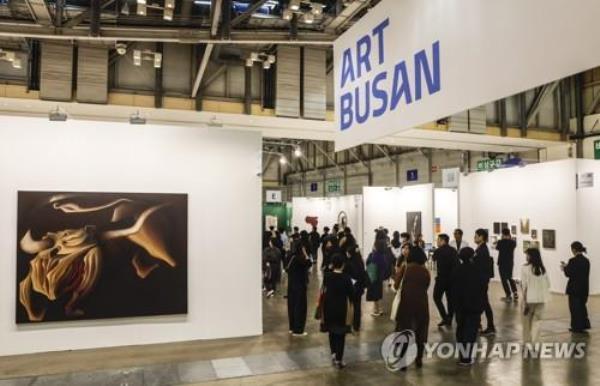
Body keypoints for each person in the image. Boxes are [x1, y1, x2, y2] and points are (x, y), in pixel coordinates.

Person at [393, 247, 431, 369]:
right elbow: (426, 285)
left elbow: (396, 284)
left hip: (406, 304)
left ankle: (402, 361)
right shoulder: (425, 271)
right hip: (422, 304)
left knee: (404, 331)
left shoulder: (405, 268)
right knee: (421, 331)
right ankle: (418, 358)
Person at [452, 247, 487, 366]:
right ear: (472, 256)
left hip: (460, 307)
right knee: (471, 332)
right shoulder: (477, 270)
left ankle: (463, 357)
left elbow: (453, 289)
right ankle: (466, 358)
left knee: (461, 330)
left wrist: (454, 305)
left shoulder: (457, 270)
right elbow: (483, 288)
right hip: (474, 306)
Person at [322, 253, 355, 369]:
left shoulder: (327, 276)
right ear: (343, 265)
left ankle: (333, 353)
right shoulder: (346, 278)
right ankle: (339, 360)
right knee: (340, 335)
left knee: (331, 332)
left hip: (328, 308)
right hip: (341, 310)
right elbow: (352, 295)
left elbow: (323, 291)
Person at [521, 248, 551, 344]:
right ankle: (535, 342)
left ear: (530, 256)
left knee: (527, 322)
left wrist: (524, 301)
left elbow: (524, 286)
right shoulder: (543, 269)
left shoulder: (525, 268)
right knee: (537, 321)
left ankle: (527, 342)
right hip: (541, 299)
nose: (526, 257)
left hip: (529, 299)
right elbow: (548, 284)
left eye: (527, 255)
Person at [286, 231, 312, 336]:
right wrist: (305, 254)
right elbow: (309, 263)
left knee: (291, 306)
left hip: (291, 285)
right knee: (300, 307)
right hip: (300, 285)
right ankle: (298, 330)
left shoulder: (291, 257)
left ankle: (292, 328)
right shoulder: (301, 259)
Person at [340, 234, 369, 331]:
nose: (347, 254)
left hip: (351, 287)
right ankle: (357, 325)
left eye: (348, 253)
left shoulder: (349, 263)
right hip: (359, 287)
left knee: (351, 305)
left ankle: (350, 323)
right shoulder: (360, 261)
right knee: (357, 306)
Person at [561, 242, 591, 334]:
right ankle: (584, 324)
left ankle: (576, 327)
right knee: (582, 307)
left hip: (574, 289)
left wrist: (564, 268)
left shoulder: (572, 261)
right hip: (584, 288)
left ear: (574, 249)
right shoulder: (586, 261)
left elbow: (568, 274)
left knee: (574, 308)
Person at [432, 234, 459, 327]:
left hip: (441, 279)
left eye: (438, 240)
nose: (437, 242)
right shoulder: (453, 250)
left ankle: (445, 317)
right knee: (450, 299)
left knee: (436, 297)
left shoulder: (438, 251)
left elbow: (433, 259)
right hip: (452, 279)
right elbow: (457, 264)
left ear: (443, 240)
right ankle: (450, 318)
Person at [473, 228, 495, 335]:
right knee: (483, 304)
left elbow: (480, 268)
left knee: (483, 304)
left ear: (481, 237)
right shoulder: (481, 249)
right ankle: (481, 325)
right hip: (481, 281)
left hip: (481, 282)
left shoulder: (482, 250)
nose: (474, 237)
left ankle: (486, 326)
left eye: (476, 236)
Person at [366, 237, 389, 317]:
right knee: (379, 293)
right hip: (379, 277)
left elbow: (369, 264)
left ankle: (377, 310)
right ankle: (380, 309)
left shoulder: (374, 255)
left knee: (375, 295)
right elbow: (385, 266)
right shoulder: (382, 255)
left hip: (374, 277)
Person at [496, 228, 518, 302]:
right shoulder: (513, 242)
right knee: (510, 277)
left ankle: (508, 295)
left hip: (502, 263)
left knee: (504, 280)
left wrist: (502, 239)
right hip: (510, 263)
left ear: (503, 234)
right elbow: (514, 245)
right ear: (509, 234)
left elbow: (497, 248)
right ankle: (515, 292)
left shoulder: (500, 242)